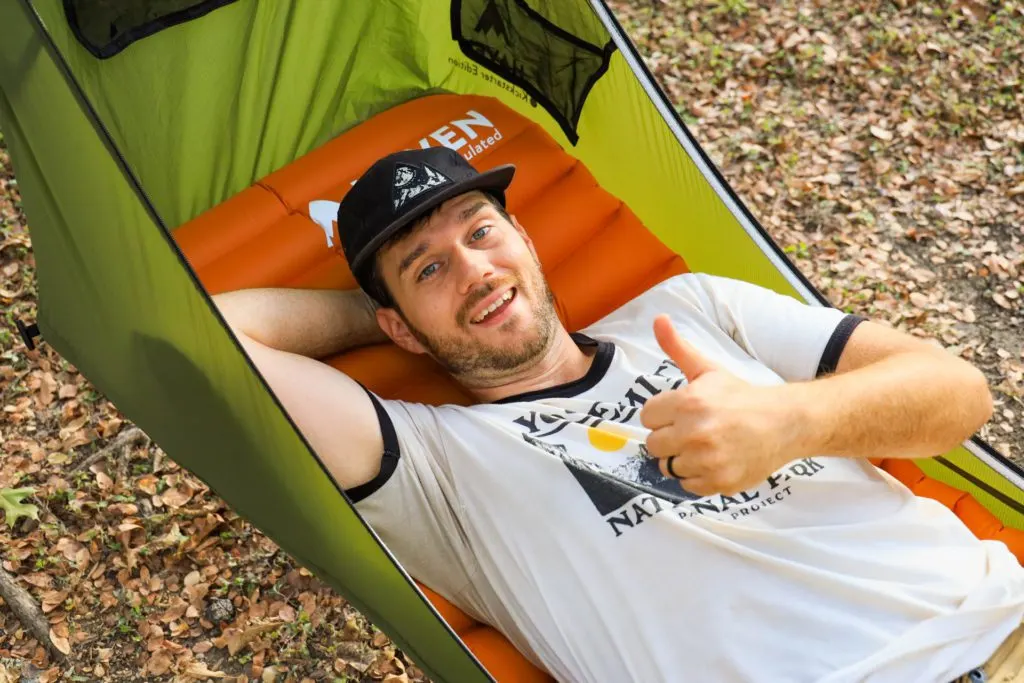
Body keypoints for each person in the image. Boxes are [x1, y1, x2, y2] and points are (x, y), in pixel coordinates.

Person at [212, 147, 1024, 683]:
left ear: (525, 237)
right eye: (430, 267)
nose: (476, 268)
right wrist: (384, 316)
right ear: (397, 324)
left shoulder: (689, 307)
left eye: (484, 232)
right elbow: (217, 335)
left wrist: (791, 422)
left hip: (1002, 623)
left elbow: (957, 394)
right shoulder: (433, 465)